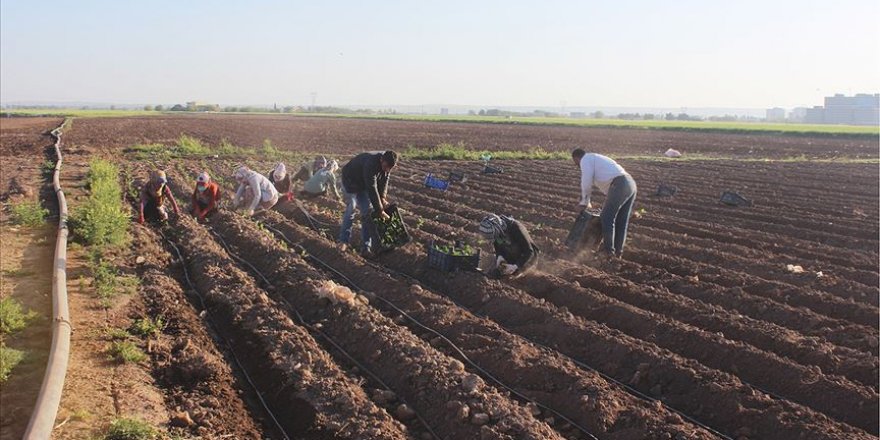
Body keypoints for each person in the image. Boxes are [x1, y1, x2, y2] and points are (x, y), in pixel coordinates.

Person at [572, 148, 637, 258]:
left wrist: (584, 202)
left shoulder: (585, 160)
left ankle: (608, 252)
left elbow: (586, 181)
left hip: (620, 184)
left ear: (577, 158)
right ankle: (617, 254)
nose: (576, 165)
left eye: (575, 163)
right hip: (630, 184)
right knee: (621, 222)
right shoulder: (595, 158)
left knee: (606, 217)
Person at [338, 150, 398, 254]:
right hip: (349, 182)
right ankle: (343, 241)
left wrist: (383, 197)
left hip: (362, 184)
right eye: (385, 167)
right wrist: (380, 210)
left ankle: (366, 247)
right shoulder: (371, 163)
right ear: (381, 160)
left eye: (389, 168)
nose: (387, 170)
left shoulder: (388, 164)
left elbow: (385, 181)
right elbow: (372, 188)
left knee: (367, 213)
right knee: (351, 208)